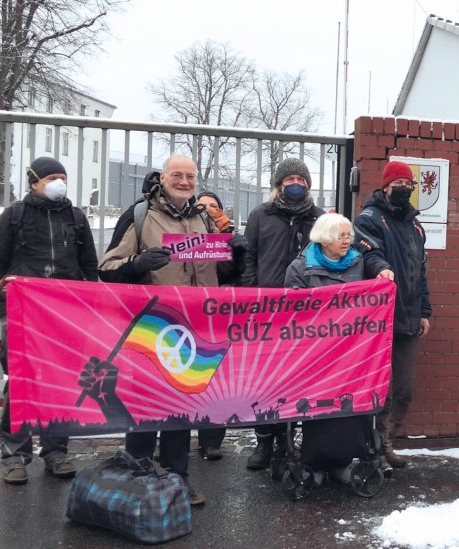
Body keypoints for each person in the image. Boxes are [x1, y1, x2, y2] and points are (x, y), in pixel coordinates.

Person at [98, 154, 247, 506]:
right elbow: (106, 267)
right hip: (151, 328)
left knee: (182, 405)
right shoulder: (139, 216)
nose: (184, 182)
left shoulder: (203, 219)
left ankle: (178, 478)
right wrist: (138, 263)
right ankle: (138, 477)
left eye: (190, 176)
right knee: (147, 405)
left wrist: (236, 259)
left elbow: (218, 274)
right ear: (163, 178)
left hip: (194, 328)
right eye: (177, 175)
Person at [0, 156, 98, 485]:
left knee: (59, 383)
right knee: (21, 382)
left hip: (64, 315)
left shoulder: (76, 218)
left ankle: (56, 452)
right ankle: (16, 456)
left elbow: (89, 268)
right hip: (20, 312)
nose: (58, 184)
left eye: (62, 177)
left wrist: (89, 307)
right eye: (51, 178)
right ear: (35, 182)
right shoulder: (14, 216)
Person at [242, 158, 324, 471]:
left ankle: (288, 441)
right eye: (290, 178)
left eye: (301, 179)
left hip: (305, 315)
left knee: (298, 378)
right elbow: (249, 257)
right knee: (265, 380)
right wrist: (254, 296)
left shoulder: (318, 218)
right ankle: (265, 440)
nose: (296, 184)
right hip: (267, 311)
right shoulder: (261, 215)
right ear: (279, 184)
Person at [352, 160, 432, 469]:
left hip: (410, 319)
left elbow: (421, 272)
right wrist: (381, 268)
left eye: (408, 186)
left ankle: (388, 440)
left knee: (405, 390)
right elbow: (369, 253)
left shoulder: (415, 226)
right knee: (380, 391)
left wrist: (425, 311)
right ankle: (377, 447)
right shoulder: (370, 219)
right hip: (380, 320)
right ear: (385, 187)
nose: (403, 190)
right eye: (397, 185)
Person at [193, 191, 236, 461]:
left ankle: (211, 439)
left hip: (215, 314)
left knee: (212, 376)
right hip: (184, 310)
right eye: (203, 206)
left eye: (214, 206)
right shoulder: (185, 232)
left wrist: (231, 244)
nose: (208, 210)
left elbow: (233, 273)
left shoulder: (229, 235)